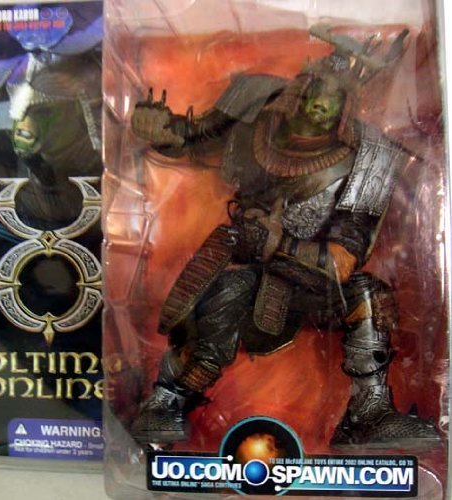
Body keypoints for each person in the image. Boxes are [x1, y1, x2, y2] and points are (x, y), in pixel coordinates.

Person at [129, 26, 439, 448]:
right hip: (243, 264)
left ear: (349, 105)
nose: (319, 103)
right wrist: (162, 130)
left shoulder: (371, 160)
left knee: (368, 296)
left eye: (334, 96)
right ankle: (166, 401)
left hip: (308, 280)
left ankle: (368, 414)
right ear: (299, 88)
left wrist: (278, 244)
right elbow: (194, 139)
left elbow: (342, 262)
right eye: (313, 90)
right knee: (217, 312)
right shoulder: (256, 106)